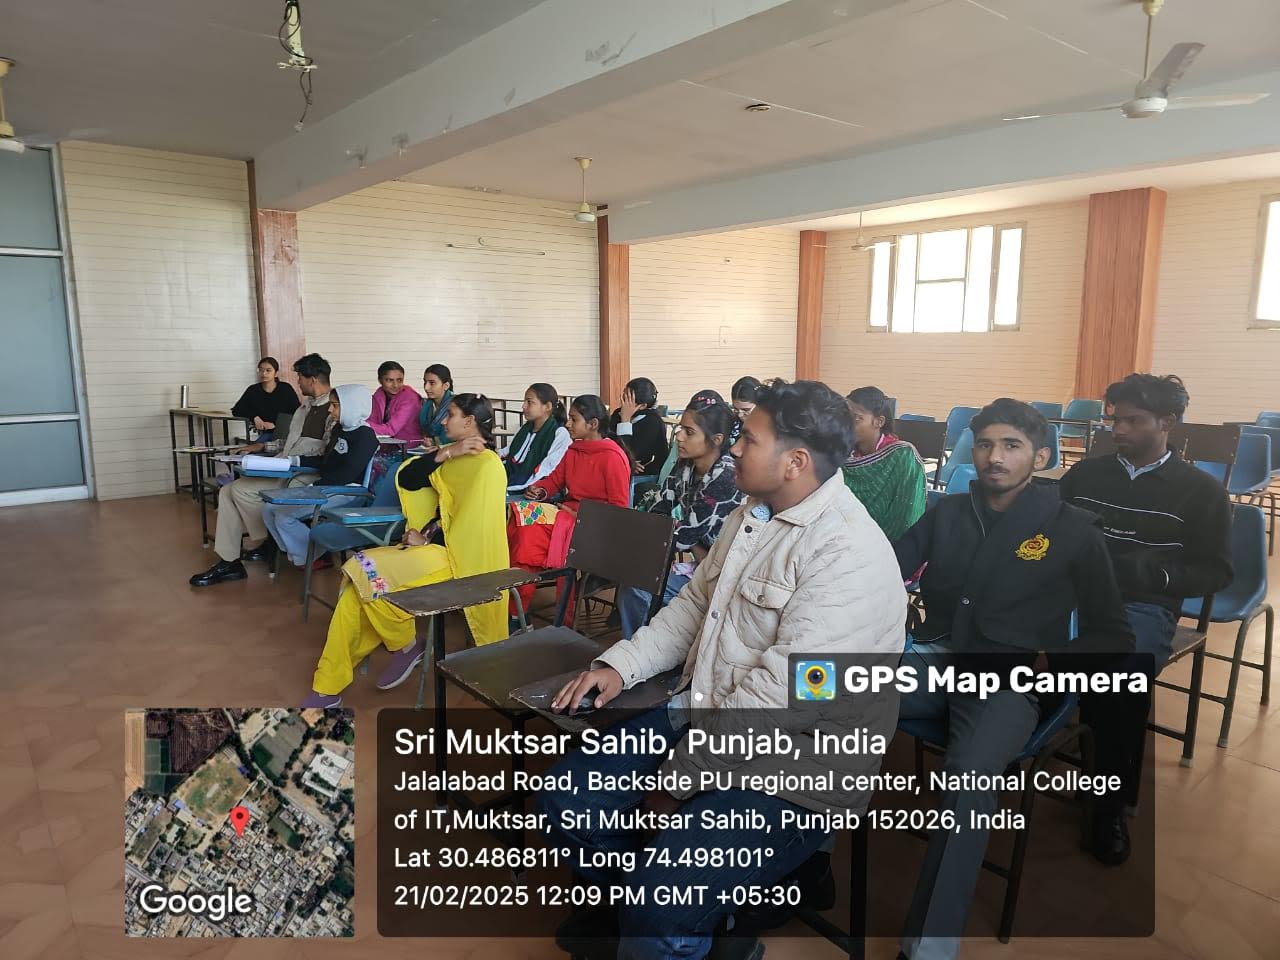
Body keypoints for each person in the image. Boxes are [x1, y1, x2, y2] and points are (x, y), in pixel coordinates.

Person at [538, 380, 907, 960]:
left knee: (665, 896)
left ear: (795, 462)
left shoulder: (849, 557)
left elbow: (784, 703)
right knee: (567, 804)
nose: (733, 447)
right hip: (708, 708)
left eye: (749, 439)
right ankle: (661, 921)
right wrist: (621, 665)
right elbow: (692, 608)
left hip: (799, 766)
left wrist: (676, 781)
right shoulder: (752, 515)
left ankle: (668, 920)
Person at [892, 398, 1134, 960]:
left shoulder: (1072, 530)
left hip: (1008, 680)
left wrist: (1047, 663)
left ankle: (927, 949)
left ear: (1041, 457)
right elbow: (885, 567)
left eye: (1011, 446)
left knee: (967, 782)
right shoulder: (948, 512)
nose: (994, 457)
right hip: (937, 658)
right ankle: (803, 861)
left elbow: (1114, 634)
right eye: (984, 444)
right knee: (816, 695)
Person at [1058, 373, 1232, 865]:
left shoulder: (1201, 492)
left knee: (1119, 676)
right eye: (1114, 419)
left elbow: (1217, 570)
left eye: (1133, 421)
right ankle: (1016, 754)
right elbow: (1049, 530)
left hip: (1144, 604)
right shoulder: (1085, 476)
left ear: (1167, 423)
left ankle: (1108, 806)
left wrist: (1157, 574)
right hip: (1071, 597)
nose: (1118, 429)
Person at [302, 394, 509, 707]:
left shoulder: (488, 466)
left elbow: (475, 530)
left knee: (363, 570)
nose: (443, 420)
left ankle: (405, 645)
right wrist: (445, 452)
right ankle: (328, 686)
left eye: (450, 414)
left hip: (461, 561)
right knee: (355, 591)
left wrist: (427, 541)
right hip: (432, 550)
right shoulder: (453, 456)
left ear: (469, 421)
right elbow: (410, 478)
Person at [190, 354, 335, 587]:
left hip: (304, 475)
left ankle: (272, 542)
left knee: (238, 491)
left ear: (313, 379)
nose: (298, 382)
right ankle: (230, 561)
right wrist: (262, 447)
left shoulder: (333, 410)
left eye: (300, 377)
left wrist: (289, 461)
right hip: (285, 469)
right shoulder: (304, 408)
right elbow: (289, 443)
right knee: (227, 491)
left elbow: (327, 455)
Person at [617, 391, 745, 639]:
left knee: (639, 588)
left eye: (689, 432)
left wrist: (678, 533)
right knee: (634, 582)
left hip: (723, 574)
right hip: (701, 562)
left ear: (716, 439)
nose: (678, 436)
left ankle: (643, 649)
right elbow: (659, 509)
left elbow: (685, 534)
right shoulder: (685, 465)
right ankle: (642, 648)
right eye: (680, 429)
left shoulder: (726, 475)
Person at [508, 395, 632, 619]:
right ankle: (517, 608)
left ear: (592, 424)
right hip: (567, 517)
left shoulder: (612, 457)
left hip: (593, 528)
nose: (567, 424)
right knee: (518, 522)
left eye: (574, 419)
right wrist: (539, 490)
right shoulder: (575, 450)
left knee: (527, 534)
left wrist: (577, 514)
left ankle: (517, 611)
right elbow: (554, 480)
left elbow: (617, 512)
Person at [260, 384, 379, 568]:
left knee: (284, 517)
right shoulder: (340, 429)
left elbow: (348, 473)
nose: (330, 410)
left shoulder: (366, 436)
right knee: (268, 508)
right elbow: (325, 461)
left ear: (352, 406)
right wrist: (294, 460)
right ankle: (306, 552)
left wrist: (315, 487)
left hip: (348, 492)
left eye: (335, 405)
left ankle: (310, 555)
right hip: (327, 488)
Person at [842, 385, 927, 541]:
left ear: (879, 422)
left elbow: (907, 518)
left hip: (891, 545)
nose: (846, 424)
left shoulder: (902, 456)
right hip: (844, 540)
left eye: (856, 418)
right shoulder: (842, 454)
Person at [501, 382, 571, 495]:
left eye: (529, 402)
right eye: (524, 401)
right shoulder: (524, 429)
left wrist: (515, 489)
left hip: (537, 490)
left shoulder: (559, 433)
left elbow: (547, 469)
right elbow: (507, 453)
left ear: (547, 406)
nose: (523, 406)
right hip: (513, 485)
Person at [609, 377, 670, 478]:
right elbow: (607, 439)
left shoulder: (652, 422)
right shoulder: (618, 414)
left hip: (645, 474)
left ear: (642, 406)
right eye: (623, 395)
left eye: (628, 399)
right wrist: (628, 460)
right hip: (618, 466)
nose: (622, 401)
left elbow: (632, 454)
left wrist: (625, 421)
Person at [231, 356, 300, 441]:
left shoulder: (285, 388)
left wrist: (276, 425)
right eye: (261, 370)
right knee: (258, 444)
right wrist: (254, 417)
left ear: (276, 373)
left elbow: (297, 412)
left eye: (268, 370)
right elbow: (237, 410)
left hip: (286, 431)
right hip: (266, 433)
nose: (264, 373)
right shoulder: (253, 390)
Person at [366, 361, 422, 442]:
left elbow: (391, 430)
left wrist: (362, 424)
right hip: (385, 443)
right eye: (390, 380)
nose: (395, 385)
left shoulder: (410, 398)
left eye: (399, 380)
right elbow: (373, 421)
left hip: (408, 446)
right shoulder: (379, 395)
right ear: (380, 380)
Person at [417, 363, 455, 450]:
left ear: (446, 386)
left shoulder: (456, 406)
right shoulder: (426, 406)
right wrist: (429, 442)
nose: (426, 388)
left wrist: (435, 443)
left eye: (432, 383)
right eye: (425, 382)